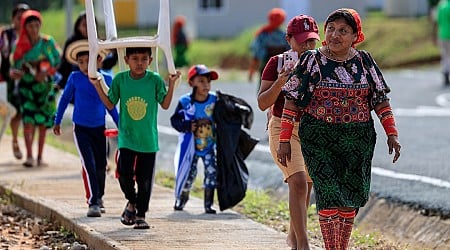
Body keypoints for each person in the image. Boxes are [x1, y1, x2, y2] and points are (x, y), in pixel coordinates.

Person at [277, 9, 402, 250]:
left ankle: (339, 246)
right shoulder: (311, 61)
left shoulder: (365, 62)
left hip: (358, 140)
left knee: (350, 197)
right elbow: (291, 100)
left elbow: (380, 101)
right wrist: (284, 139)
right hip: (319, 139)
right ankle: (332, 247)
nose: (335, 35)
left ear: (355, 35)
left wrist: (392, 133)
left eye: (343, 31)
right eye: (331, 29)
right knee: (328, 194)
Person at [90, 47, 180, 229]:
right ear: (126, 59)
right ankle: (132, 201)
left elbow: (165, 104)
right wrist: (97, 85)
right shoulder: (120, 80)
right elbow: (109, 102)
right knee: (124, 175)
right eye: (135, 58)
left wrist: (171, 84)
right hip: (127, 137)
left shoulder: (154, 80)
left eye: (144, 59)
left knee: (144, 180)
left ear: (150, 59)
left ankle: (140, 215)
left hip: (148, 139)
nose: (139, 63)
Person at [257, 14, 320, 250]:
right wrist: (280, 82)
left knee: (307, 185)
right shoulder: (277, 63)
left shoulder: (320, 62)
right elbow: (263, 103)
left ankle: (294, 238)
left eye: (311, 41)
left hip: (310, 130)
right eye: (302, 41)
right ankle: (303, 243)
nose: (306, 46)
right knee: (298, 181)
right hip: (282, 127)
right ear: (289, 39)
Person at [53, 40, 119, 217]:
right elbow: (65, 99)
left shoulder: (107, 79)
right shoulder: (75, 78)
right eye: (80, 62)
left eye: (87, 61)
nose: (83, 66)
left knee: (101, 164)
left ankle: (100, 196)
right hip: (81, 128)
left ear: (98, 61)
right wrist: (57, 121)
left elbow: (110, 106)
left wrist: (121, 125)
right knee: (88, 163)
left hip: (100, 128)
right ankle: (93, 201)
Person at [10, 10, 61, 168]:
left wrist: (46, 72)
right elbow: (15, 65)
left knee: (42, 124)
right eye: (30, 26)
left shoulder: (48, 42)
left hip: (45, 88)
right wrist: (16, 73)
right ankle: (30, 156)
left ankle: (40, 156)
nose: (33, 29)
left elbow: (57, 61)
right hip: (27, 89)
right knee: (28, 121)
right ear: (25, 27)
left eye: (36, 25)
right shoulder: (20, 46)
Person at [170, 64, 219, 214]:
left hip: (209, 146)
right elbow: (175, 120)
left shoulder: (214, 100)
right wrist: (186, 125)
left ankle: (208, 204)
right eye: (201, 81)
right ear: (191, 83)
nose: (206, 85)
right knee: (189, 175)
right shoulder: (185, 102)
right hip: (191, 148)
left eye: (208, 82)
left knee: (212, 173)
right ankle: (182, 198)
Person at [0, 3, 30, 159]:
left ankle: (24, 145)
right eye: (19, 17)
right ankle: (14, 140)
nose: (22, 21)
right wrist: (9, 72)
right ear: (13, 19)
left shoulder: (32, 35)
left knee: (24, 113)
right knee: (13, 112)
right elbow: (3, 57)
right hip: (7, 79)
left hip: (26, 79)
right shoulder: (7, 34)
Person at [249, 8, 290, 91]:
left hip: (266, 68)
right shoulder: (286, 35)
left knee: (264, 92)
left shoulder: (262, 35)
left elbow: (256, 55)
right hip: (283, 69)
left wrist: (251, 72)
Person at [433, 0, 450, 86]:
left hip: (442, 34)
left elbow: (436, 21)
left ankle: (445, 73)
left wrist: (434, 36)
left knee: (445, 55)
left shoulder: (441, 5)